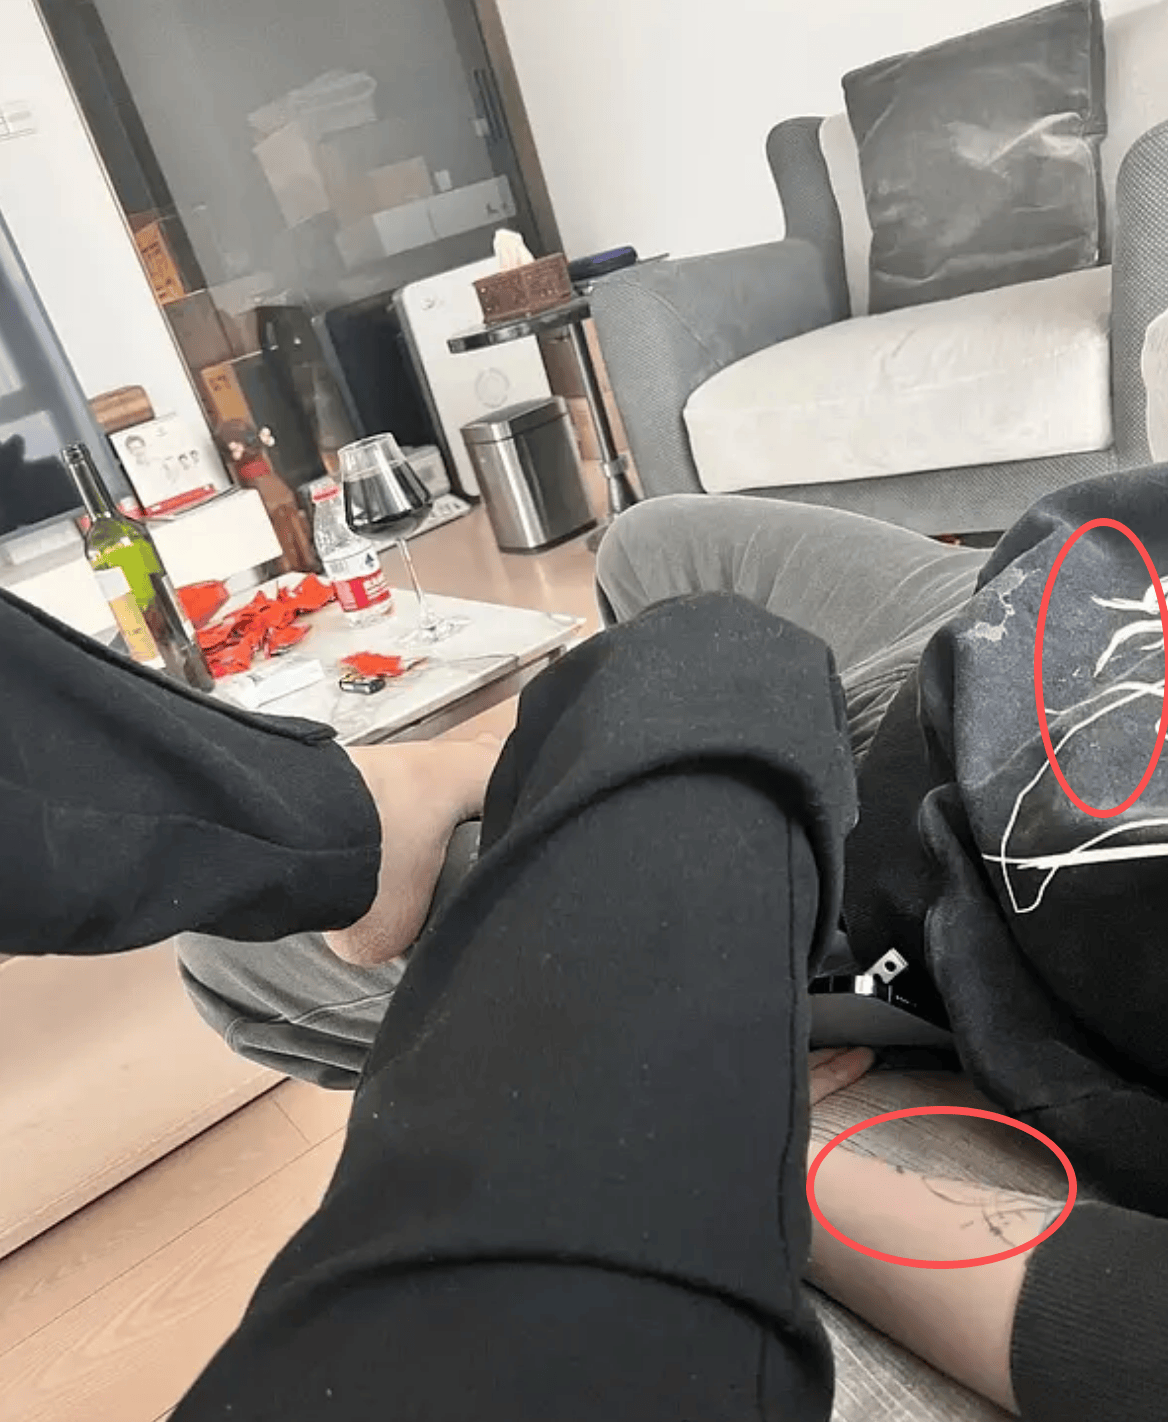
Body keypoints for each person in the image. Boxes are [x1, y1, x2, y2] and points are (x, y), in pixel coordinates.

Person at [171, 463, 1168, 1418]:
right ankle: (518, 763)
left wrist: (706, 1129)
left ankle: (548, 773)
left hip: (974, 870)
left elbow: (1119, 1335)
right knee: (650, 543)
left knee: (237, 935)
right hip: (1060, 604)